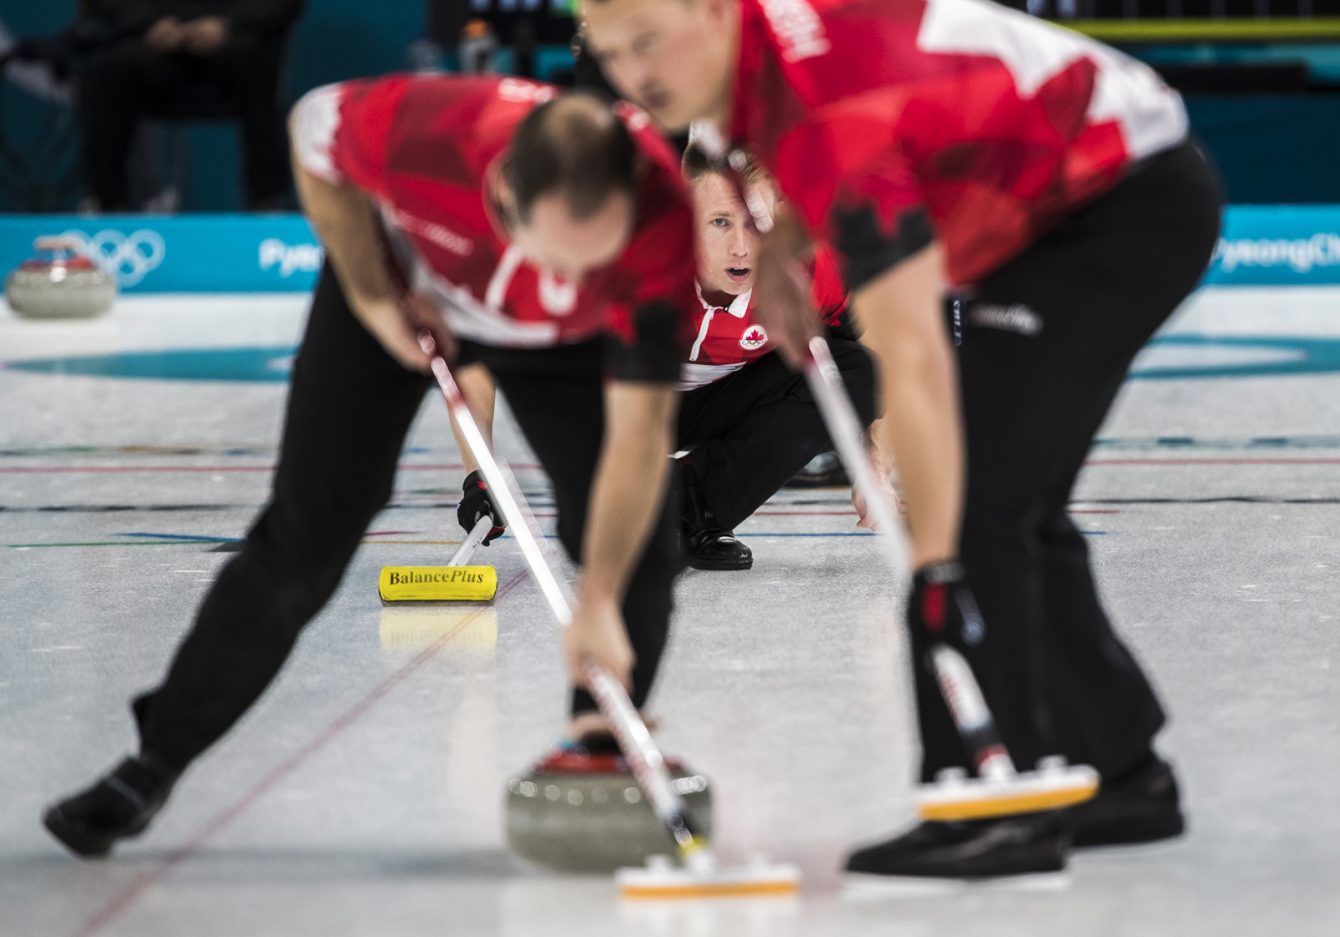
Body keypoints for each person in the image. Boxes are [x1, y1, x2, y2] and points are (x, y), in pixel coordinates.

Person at [582, 0, 1223, 877]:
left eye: (647, 44)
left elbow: (910, 354)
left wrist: (929, 545)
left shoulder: (834, 111)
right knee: (1012, 503)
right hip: (1056, 191)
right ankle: (1120, 769)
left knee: (975, 510)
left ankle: (993, 796)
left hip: (1115, 202)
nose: (634, 75)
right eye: (611, 55)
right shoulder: (735, 61)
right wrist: (783, 248)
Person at [42, 75, 699, 858]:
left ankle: (601, 746)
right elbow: (311, 134)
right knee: (305, 538)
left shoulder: (664, 221)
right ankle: (151, 764)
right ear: (498, 191)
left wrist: (597, 598)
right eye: (551, 256)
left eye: (590, 264)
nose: (557, 282)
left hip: (566, 346)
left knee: (639, 548)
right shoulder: (427, 130)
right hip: (405, 291)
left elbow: (640, 432)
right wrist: (369, 290)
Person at [675, 143, 877, 570]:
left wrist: (872, 465)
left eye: (755, 223)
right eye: (719, 223)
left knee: (856, 370)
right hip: (631, 403)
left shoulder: (810, 270)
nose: (741, 248)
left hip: (726, 398)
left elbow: (875, 360)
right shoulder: (640, 265)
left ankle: (694, 508)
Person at [77, 0, 304, 210]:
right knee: (108, 71)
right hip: (154, 43)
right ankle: (109, 204)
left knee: (257, 64)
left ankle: (267, 203)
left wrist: (229, 24)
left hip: (234, 40)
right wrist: (147, 22)